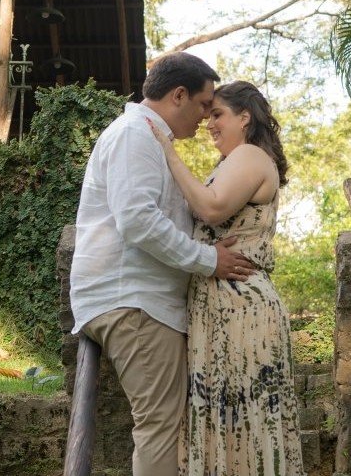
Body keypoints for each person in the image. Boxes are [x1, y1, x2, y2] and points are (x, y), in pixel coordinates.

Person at [69, 52, 255, 476]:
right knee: (161, 427)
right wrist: (209, 260)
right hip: (135, 302)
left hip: (139, 301)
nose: (206, 117)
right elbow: (137, 220)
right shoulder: (134, 135)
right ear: (178, 95)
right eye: (204, 104)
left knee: (166, 425)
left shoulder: (148, 138)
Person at [148, 80, 305, 476]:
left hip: (241, 307)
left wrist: (168, 150)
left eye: (217, 114)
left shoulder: (250, 154)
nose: (209, 123)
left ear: (245, 117)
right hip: (217, 305)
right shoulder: (232, 162)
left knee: (246, 423)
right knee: (225, 419)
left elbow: (213, 208)